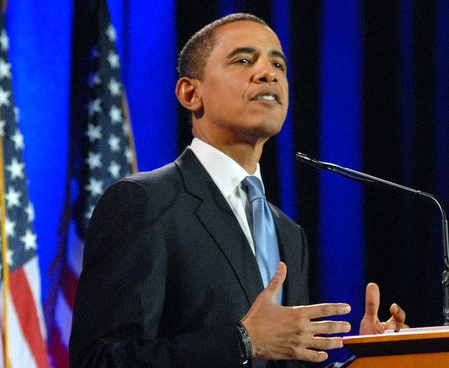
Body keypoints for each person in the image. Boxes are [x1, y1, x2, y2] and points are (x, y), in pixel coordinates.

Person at [69, 13, 406, 368]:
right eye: (244, 60)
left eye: (278, 63)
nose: (268, 72)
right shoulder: (144, 202)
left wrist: (373, 360)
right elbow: (99, 359)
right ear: (190, 93)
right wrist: (242, 341)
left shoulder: (288, 233)